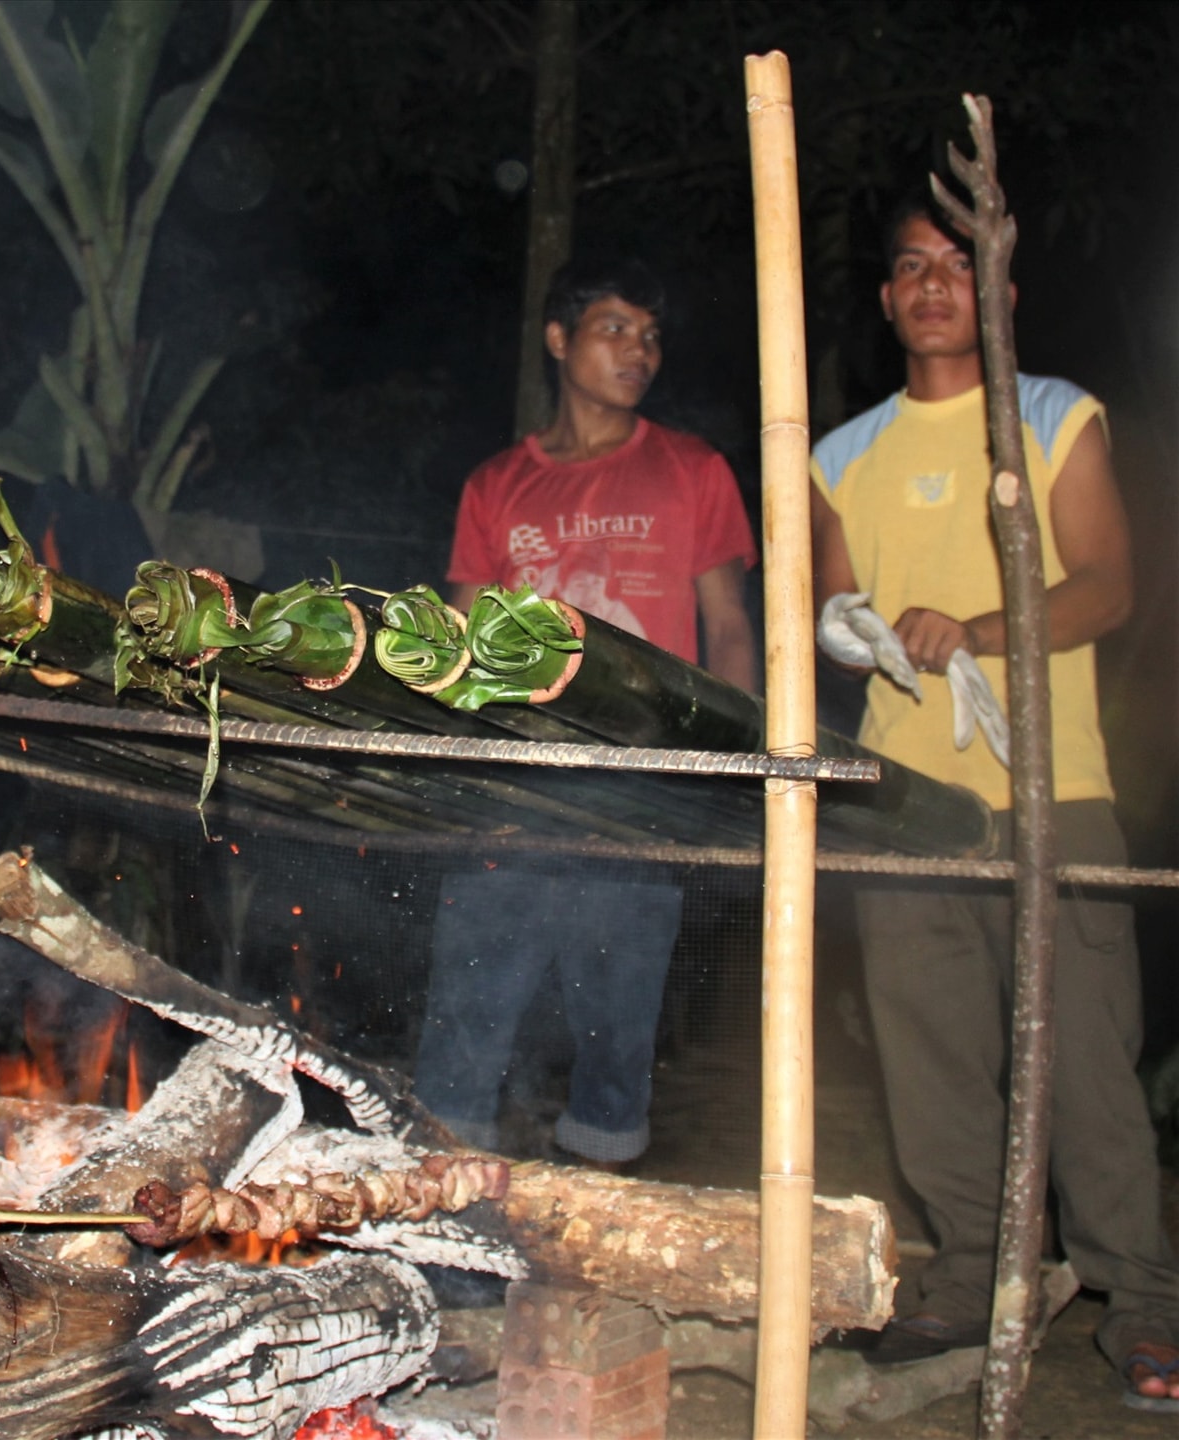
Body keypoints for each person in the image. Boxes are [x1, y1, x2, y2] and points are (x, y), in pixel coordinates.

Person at [810, 196, 1179, 1405]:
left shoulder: (1051, 417)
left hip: (1049, 790)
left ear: (1002, 293)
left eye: (958, 269)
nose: (931, 285)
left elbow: (1109, 588)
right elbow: (835, 615)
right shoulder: (836, 456)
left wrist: (969, 628)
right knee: (932, 1057)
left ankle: (1142, 1298)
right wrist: (862, 634)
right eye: (909, 266)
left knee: (1083, 1059)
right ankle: (969, 1282)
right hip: (904, 801)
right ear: (884, 300)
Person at [413, 257, 757, 1169]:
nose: (638, 351)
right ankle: (444, 1227)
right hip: (511, 791)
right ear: (560, 340)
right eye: (615, 329)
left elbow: (727, 626)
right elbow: (456, 641)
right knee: (469, 1014)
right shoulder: (497, 485)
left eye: (650, 337)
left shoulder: (693, 469)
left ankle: (596, 1229)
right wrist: (449, 768)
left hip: (641, 794)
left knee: (618, 1027)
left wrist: (733, 763)